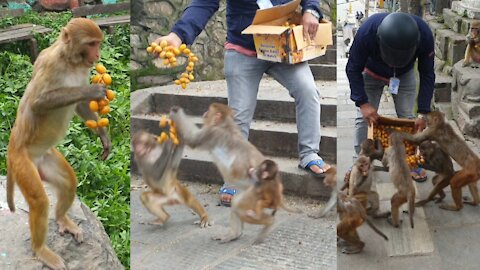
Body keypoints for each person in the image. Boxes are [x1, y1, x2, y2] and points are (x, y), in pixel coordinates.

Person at [154, 0, 331, 182]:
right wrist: (177, 36)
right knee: (239, 114)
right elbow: (205, 2)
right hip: (243, 48)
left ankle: (309, 153)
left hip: (285, 46)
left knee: (308, 91)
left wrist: (311, 10)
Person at [346, 12, 435, 181]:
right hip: (371, 72)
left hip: (404, 74)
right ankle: (360, 161)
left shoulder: (424, 35)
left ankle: (410, 160)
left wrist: (424, 112)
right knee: (363, 119)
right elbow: (352, 68)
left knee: (409, 118)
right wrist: (363, 103)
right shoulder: (367, 32)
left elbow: (427, 74)